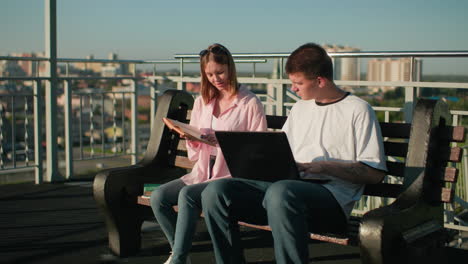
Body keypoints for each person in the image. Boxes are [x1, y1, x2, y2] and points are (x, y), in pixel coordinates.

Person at [201, 43, 387, 264]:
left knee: (281, 192)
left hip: (330, 200)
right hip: (285, 191)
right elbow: (281, 152)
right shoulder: (300, 108)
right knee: (217, 191)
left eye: (298, 83)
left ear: (320, 80)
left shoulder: (358, 110)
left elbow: (375, 174)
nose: (293, 89)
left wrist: (323, 166)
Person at [150, 43, 267, 264]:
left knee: (187, 195)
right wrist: (192, 138)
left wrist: (221, 140)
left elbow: (258, 149)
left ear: (230, 68)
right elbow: (194, 155)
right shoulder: (203, 101)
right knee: (159, 198)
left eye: (220, 72)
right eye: (210, 74)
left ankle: (178, 259)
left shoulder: (250, 103)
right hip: (203, 172)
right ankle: (178, 253)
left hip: (230, 177)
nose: (216, 78)